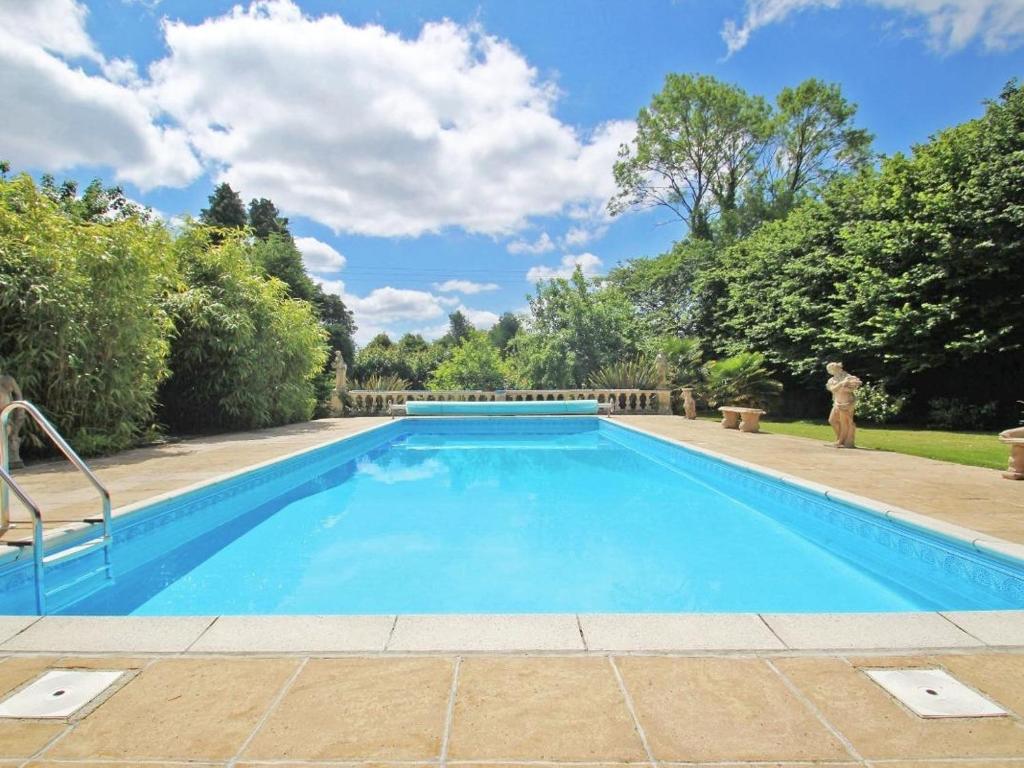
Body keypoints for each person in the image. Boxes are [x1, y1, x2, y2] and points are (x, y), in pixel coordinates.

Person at [826, 362, 861, 448]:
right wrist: (842, 384)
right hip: (837, 402)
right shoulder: (832, 380)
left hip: (846, 402)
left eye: (831, 369)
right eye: (829, 370)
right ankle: (840, 439)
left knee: (845, 422)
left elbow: (855, 386)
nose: (830, 371)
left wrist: (845, 385)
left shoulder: (847, 377)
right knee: (832, 420)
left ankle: (842, 441)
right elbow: (832, 389)